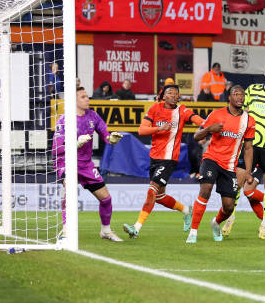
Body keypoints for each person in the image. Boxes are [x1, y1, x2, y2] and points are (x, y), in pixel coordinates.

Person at [123, 84, 204, 238]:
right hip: (154, 158)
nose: (173, 95)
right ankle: (186, 210)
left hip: (169, 159)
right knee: (159, 196)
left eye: (176, 93)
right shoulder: (154, 109)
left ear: (179, 96)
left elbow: (197, 120)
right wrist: (159, 129)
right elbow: (142, 130)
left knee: (151, 191)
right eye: (170, 92)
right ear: (164, 96)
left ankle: (136, 228)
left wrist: (208, 125)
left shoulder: (182, 110)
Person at [223, 62, 265, 239]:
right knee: (240, 184)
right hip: (250, 146)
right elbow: (238, 107)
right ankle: (230, 217)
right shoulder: (252, 90)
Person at [185, 85, 256, 243]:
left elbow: (249, 147)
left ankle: (216, 223)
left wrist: (248, 171)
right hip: (211, 159)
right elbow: (197, 136)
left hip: (230, 166)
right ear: (229, 98)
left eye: (242, 94)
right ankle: (193, 232)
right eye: (236, 94)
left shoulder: (248, 120)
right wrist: (209, 129)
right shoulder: (216, 114)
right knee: (206, 189)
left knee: (229, 206)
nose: (240, 97)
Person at [52, 87, 124, 241]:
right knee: (69, 192)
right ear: (74, 100)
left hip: (85, 164)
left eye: (87, 96)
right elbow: (56, 149)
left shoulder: (93, 116)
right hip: (66, 162)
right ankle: (65, 230)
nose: (87, 99)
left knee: (106, 198)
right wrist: (76, 144)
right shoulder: (64, 120)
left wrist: (110, 139)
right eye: (83, 96)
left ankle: (105, 231)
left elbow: (105, 133)